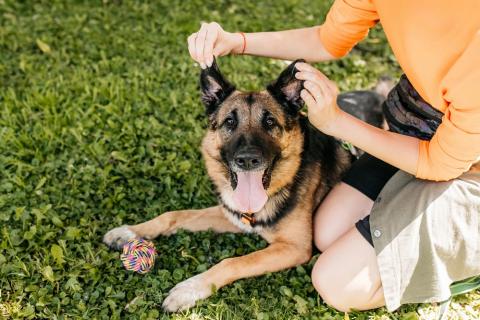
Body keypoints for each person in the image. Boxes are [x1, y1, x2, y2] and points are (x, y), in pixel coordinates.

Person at [187, 0, 480, 312]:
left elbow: (440, 163)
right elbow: (329, 38)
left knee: (337, 284)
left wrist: (336, 122)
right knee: (327, 231)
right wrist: (236, 41)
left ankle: (461, 262)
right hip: (416, 129)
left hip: (463, 162)